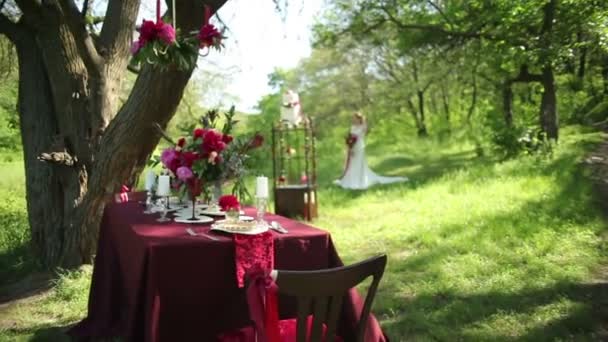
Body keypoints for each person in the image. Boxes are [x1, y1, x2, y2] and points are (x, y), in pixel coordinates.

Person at [334, 112, 408, 189]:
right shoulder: (352, 127)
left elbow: (364, 133)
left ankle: (360, 180)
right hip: (353, 147)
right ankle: (350, 179)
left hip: (359, 147)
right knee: (352, 164)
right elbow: (350, 138)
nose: (353, 120)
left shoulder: (363, 127)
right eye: (353, 118)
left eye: (355, 118)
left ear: (359, 119)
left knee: (359, 163)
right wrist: (350, 147)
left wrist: (364, 121)